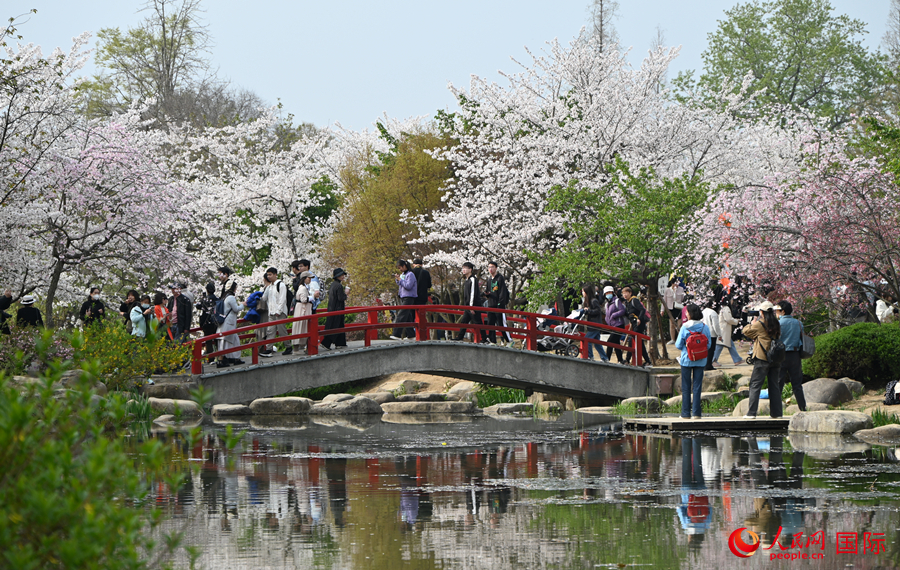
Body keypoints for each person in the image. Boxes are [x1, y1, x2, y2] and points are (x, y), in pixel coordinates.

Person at [742, 301, 783, 418]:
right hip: (775, 358)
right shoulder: (777, 323)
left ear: (762, 312)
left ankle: (751, 413)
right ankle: (777, 413)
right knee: (774, 386)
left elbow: (746, 331)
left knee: (755, 385)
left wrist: (752, 323)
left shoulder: (760, 324)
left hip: (762, 358)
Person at [674, 304, 712, 419]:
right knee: (697, 387)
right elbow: (709, 344)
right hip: (700, 360)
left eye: (687, 312)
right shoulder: (704, 327)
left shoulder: (685, 327)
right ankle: (696, 413)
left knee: (686, 387)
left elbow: (678, 345)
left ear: (690, 314)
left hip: (686, 360)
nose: (686, 314)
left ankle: (685, 413)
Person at [776, 301, 807, 412]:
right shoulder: (798, 323)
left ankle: (776, 410)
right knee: (797, 384)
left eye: (777, 310)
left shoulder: (778, 323)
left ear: (783, 311)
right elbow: (801, 337)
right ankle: (803, 408)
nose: (776, 312)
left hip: (781, 355)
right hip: (795, 355)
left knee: (778, 383)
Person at [453, 262, 487, 343]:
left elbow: (473, 293)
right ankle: (460, 337)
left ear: (470, 269)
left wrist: (471, 306)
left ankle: (485, 338)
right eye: (463, 268)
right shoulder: (467, 280)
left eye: (465, 268)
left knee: (477, 322)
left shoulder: (473, 279)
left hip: (473, 305)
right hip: (468, 306)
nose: (463, 270)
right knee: (464, 321)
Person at [261, 267, 291, 356]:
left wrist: (279, 310)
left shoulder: (280, 285)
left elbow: (282, 299)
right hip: (271, 312)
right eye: (268, 275)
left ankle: (288, 347)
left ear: (275, 275)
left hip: (279, 312)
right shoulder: (270, 287)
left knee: (282, 331)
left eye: (270, 274)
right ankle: (269, 349)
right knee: (270, 331)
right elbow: (264, 298)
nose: (269, 276)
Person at [216, 280, 245, 367]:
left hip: (224, 323)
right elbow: (236, 309)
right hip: (229, 324)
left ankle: (226, 359)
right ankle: (235, 359)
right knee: (233, 341)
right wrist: (243, 305)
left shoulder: (224, 297)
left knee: (224, 342)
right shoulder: (231, 298)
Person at [484, 261, 513, 346]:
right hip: (491, 304)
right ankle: (493, 341)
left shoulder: (500, 278)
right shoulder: (489, 280)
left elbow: (502, 292)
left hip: (499, 305)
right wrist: (487, 294)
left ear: (496, 268)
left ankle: (509, 340)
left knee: (501, 324)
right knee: (490, 323)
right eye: (489, 267)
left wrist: (501, 303)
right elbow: (488, 291)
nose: (490, 269)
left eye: (492, 267)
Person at [622, 286, 651, 367]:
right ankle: (647, 360)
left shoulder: (634, 300)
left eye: (626, 293)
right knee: (639, 342)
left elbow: (642, 310)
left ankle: (628, 360)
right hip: (634, 324)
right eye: (623, 293)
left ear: (630, 293)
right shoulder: (627, 302)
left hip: (639, 323)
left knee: (633, 341)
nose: (625, 295)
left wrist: (639, 319)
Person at [321, 268, 349, 350]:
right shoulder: (339, 286)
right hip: (338, 308)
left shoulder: (333, 285)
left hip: (332, 308)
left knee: (338, 325)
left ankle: (340, 343)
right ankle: (326, 343)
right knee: (335, 326)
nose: (343, 277)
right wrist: (346, 294)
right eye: (341, 275)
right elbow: (341, 298)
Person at [712, 294, 742, 367]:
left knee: (730, 345)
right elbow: (728, 319)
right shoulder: (726, 308)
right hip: (724, 330)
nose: (732, 301)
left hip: (724, 330)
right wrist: (736, 321)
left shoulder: (722, 308)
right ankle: (713, 360)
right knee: (719, 345)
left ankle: (737, 359)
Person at [391, 260, 418, 340]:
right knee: (408, 316)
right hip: (403, 296)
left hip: (409, 297)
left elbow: (408, 286)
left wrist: (400, 280)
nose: (400, 269)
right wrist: (398, 279)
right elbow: (401, 284)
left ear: (404, 266)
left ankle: (397, 334)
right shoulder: (403, 274)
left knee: (401, 315)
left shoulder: (411, 274)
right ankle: (411, 335)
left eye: (400, 267)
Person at [582, 285, 609, 361]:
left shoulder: (593, 301)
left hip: (595, 325)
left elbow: (598, 311)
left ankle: (590, 356)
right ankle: (604, 358)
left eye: (583, 292)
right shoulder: (588, 301)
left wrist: (589, 311)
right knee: (597, 343)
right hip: (593, 324)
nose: (583, 293)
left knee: (587, 339)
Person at [291, 271, 314, 353]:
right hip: (302, 310)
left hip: (300, 309)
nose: (310, 280)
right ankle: (301, 347)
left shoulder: (302, 287)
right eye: (309, 278)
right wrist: (313, 297)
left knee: (299, 328)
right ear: (305, 278)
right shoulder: (303, 288)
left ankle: (298, 348)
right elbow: (304, 300)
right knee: (302, 328)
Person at [603, 285, 627, 363]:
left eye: (609, 292)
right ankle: (620, 360)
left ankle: (607, 359)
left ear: (613, 293)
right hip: (612, 326)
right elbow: (607, 314)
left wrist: (614, 315)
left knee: (610, 342)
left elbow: (622, 310)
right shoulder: (606, 304)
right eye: (606, 293)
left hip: (619, 324)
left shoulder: (617, 301)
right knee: (616, 343)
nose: (608, 294)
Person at [196, 282, 219, 360]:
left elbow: (198, 306)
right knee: (217, 339)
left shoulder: (204, 300)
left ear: (207, 290)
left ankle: (211, 358)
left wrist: (202, 298)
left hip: (206, 322)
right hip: (215, 322)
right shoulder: (217, 300)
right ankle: (220, 356)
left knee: (208, 340)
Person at [663, 277, 685, 344]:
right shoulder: (667, 290)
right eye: (675, 283)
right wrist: (662, 310)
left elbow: (683, 299)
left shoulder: (681, 289)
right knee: (672, 324)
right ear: (672, 283)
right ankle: (672, 339)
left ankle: (680, 339)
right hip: (671, 308)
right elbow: (664, 300)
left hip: (678, 308)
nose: (677, 285)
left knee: (679, 324)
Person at [700, 301, 720, 372]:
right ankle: (708, 365)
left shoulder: (703, 311)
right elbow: (715, 325)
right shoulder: (713, 313)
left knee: (705, 349)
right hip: (711, 333)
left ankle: (704, 364)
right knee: (711, 350)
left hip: (703, 332)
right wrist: (719, 334)